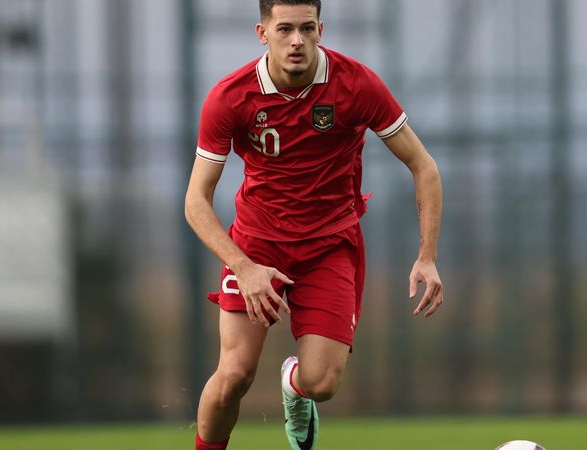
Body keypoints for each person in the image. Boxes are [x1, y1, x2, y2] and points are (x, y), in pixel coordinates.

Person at [184, 1, 444, 449]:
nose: (297, 41)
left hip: (329, 246)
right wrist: (243, 267)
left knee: (322, 382)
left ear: (321, 29)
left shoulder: (356, 85)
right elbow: (195, 202)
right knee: (234, 376)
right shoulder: (230, 97)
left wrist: (427, 257)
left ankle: (295, 386)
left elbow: (424, 167)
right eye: (284, 29)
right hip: (257, 246)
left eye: (307, 28)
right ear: (262, 32)